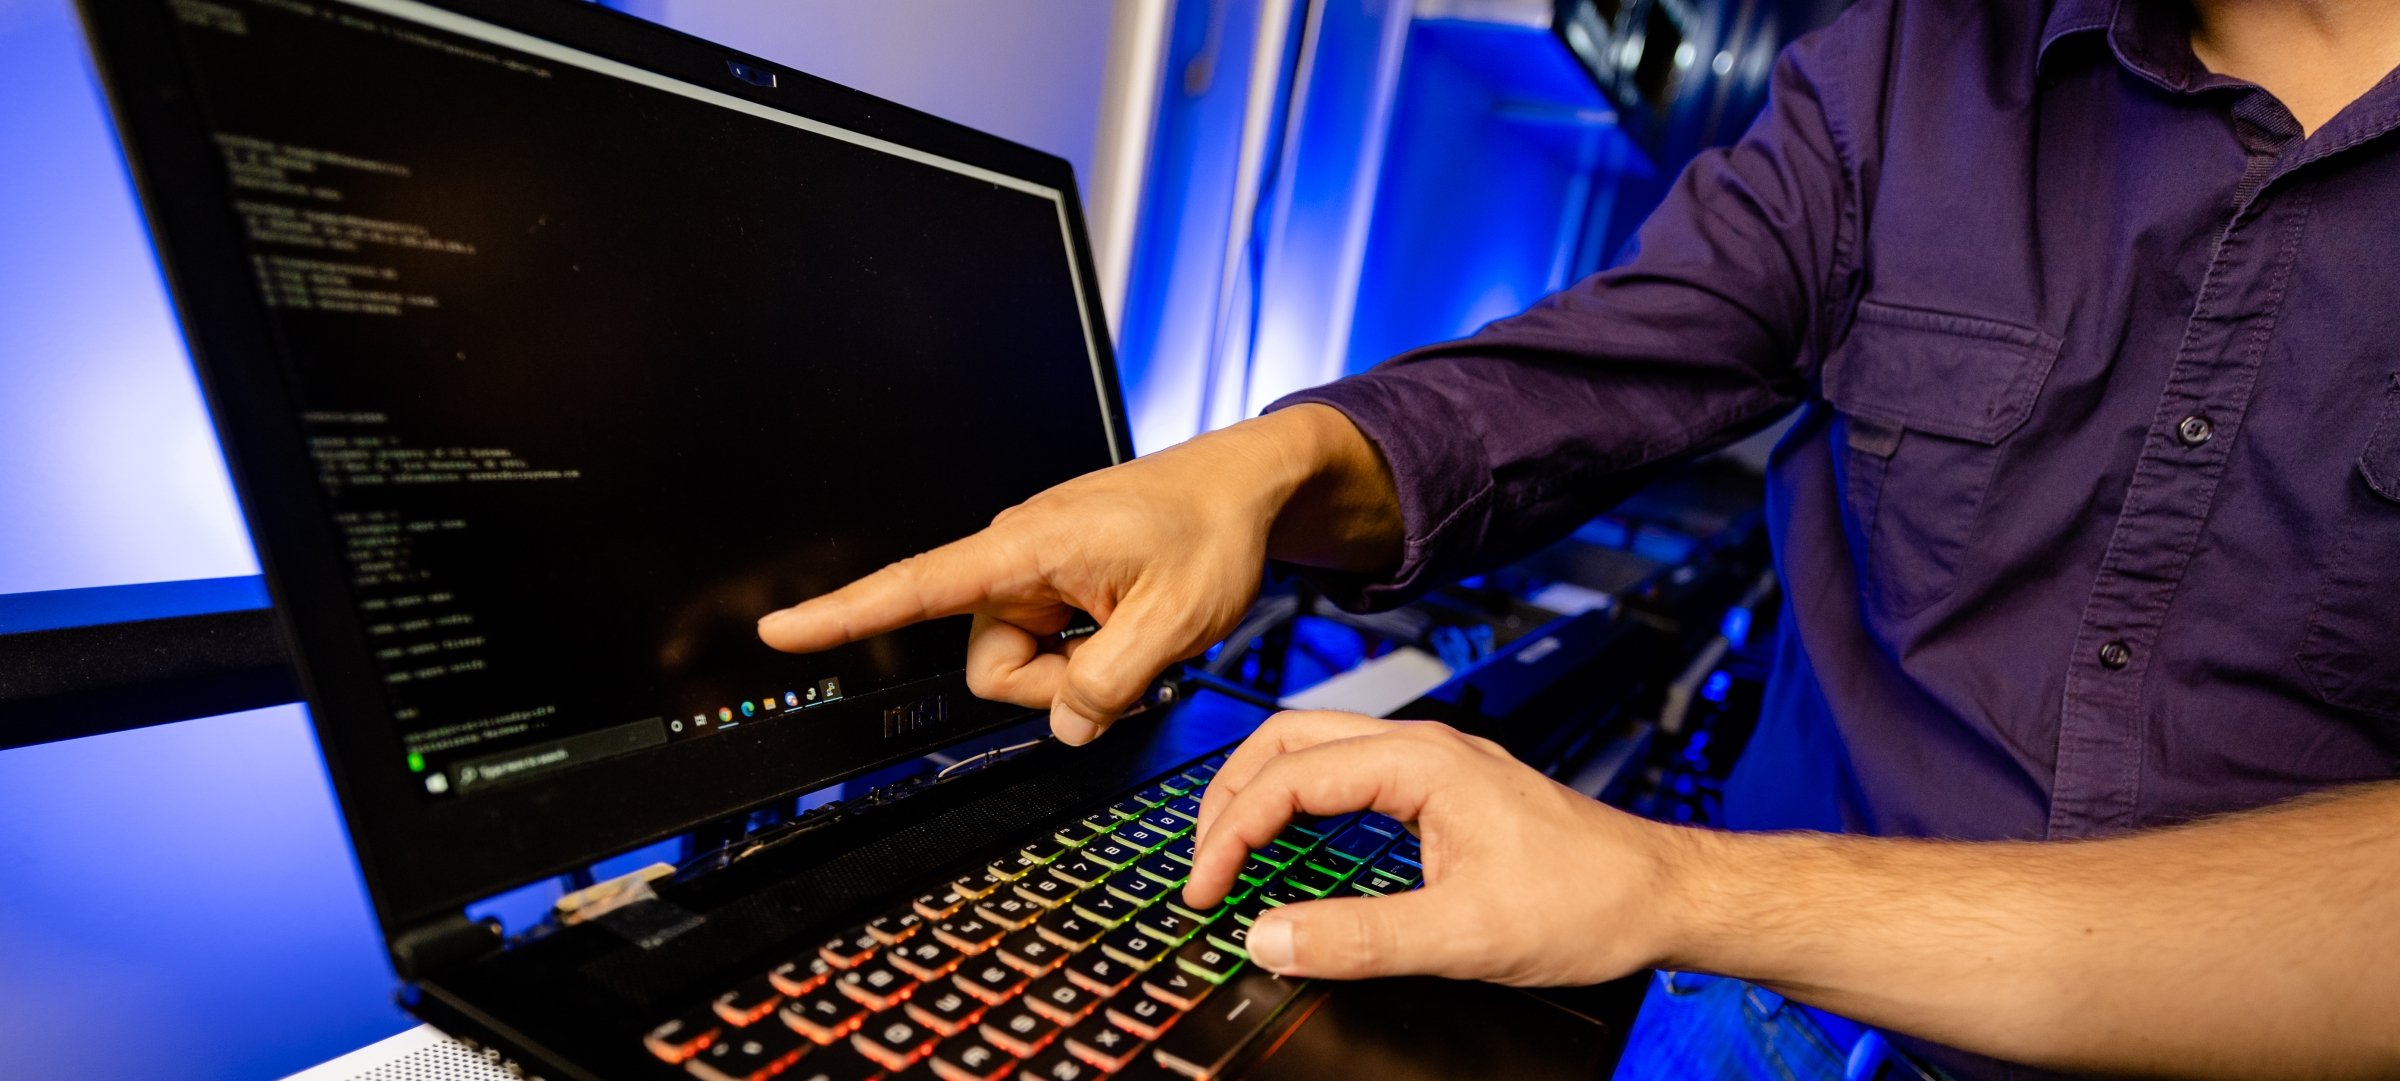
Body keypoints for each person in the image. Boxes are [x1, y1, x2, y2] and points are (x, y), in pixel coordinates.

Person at [754, 0, 2400, 1076]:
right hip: (1757, 1024)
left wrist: (1673, 880)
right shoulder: (1911, 65)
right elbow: (1585, 377)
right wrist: (1263, 466)